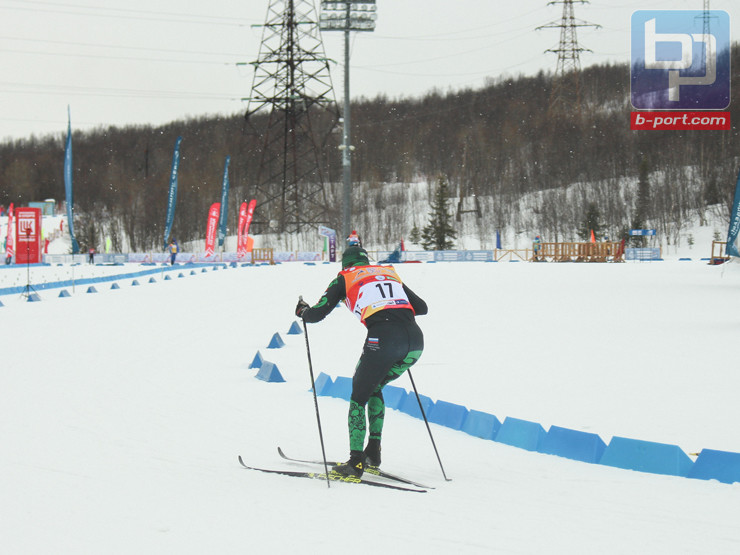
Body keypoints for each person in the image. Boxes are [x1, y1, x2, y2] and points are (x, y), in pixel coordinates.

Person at [295, 245, 428, 477]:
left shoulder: (345, 277)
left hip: (383, 341)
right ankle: (373, 454)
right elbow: (422, 308)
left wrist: (303, 312)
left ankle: (355, 463)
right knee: (375, 387)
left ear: (345, 263)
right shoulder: (387, 272)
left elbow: (316, 315)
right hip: (415, 343)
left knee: (359, 396)